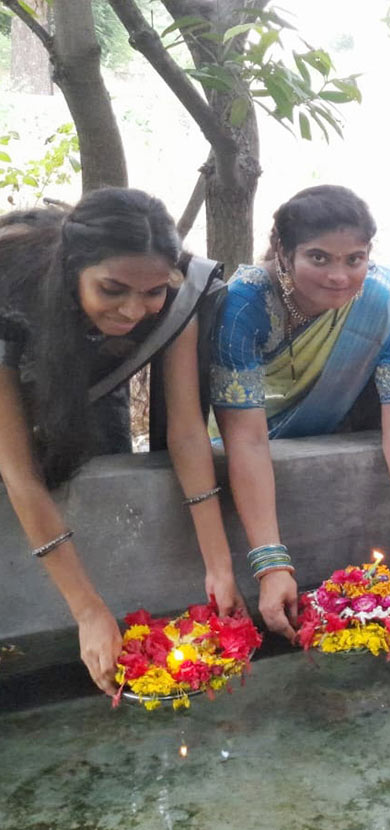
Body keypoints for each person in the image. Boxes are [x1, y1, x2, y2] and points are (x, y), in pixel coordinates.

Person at [0, 188, 241, 696]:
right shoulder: (9, 284)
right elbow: (18, 470)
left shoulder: (177, 295)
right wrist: (87, 612)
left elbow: (187, 433)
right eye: (112, 289)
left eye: (152, 291)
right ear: (71, 269)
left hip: (87, 387)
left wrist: (219, 567)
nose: (134, 310)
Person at [211, 185, 390, 640]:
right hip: (243, 449)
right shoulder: (243, 306)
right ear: (283, 250)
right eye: (319, 258)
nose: (339, 276)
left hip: (327, 436)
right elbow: (247, 440)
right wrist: (271, 566)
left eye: (354, 258)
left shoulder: (385, 301)